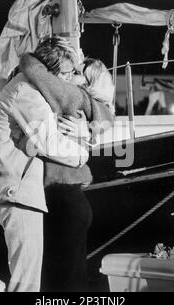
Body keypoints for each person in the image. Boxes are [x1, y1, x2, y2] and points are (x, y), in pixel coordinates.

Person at [0, 37, 89, 292]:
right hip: (18, 193)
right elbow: (49, 143)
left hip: (21, 192)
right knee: (26, 280)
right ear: (51, 71)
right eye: (66, 73)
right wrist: (82, 152)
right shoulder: (26, 92)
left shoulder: (27, 87)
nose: (68, 79)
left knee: (27, 277)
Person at [20, 49, 115, 291]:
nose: (70, 73)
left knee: (60, 280)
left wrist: (46, 53)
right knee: (71, 277)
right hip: (72, 199)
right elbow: (107, 118)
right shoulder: (91, 105)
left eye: (77, 71)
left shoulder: (71, 95)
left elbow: (30, 68)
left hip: (60, 199)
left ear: (88, 82)